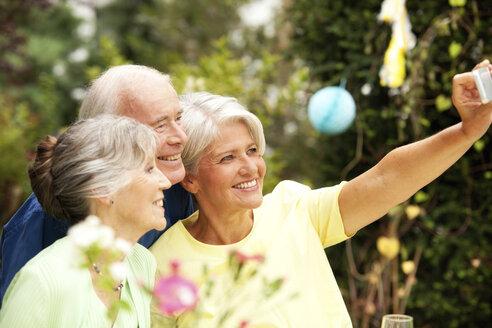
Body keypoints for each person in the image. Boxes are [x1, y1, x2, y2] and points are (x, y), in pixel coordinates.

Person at [150, 61, 492, 327]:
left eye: (252, 150)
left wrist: (466, 131)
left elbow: (387, 178)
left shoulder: (292, 208)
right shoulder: (162, 265)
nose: (250, 167)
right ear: (190, 179)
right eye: (227, 157)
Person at [0, 65, 193, 306]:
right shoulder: (44, 219)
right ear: (108, 134)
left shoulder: (180, 192)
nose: (181, 137)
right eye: (160, 125)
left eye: (178, 118)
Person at [0, 115, 171, 327]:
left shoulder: (142, 263)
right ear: (101, 188)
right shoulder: (42, 282)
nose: (165, 181)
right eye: (148, 168)